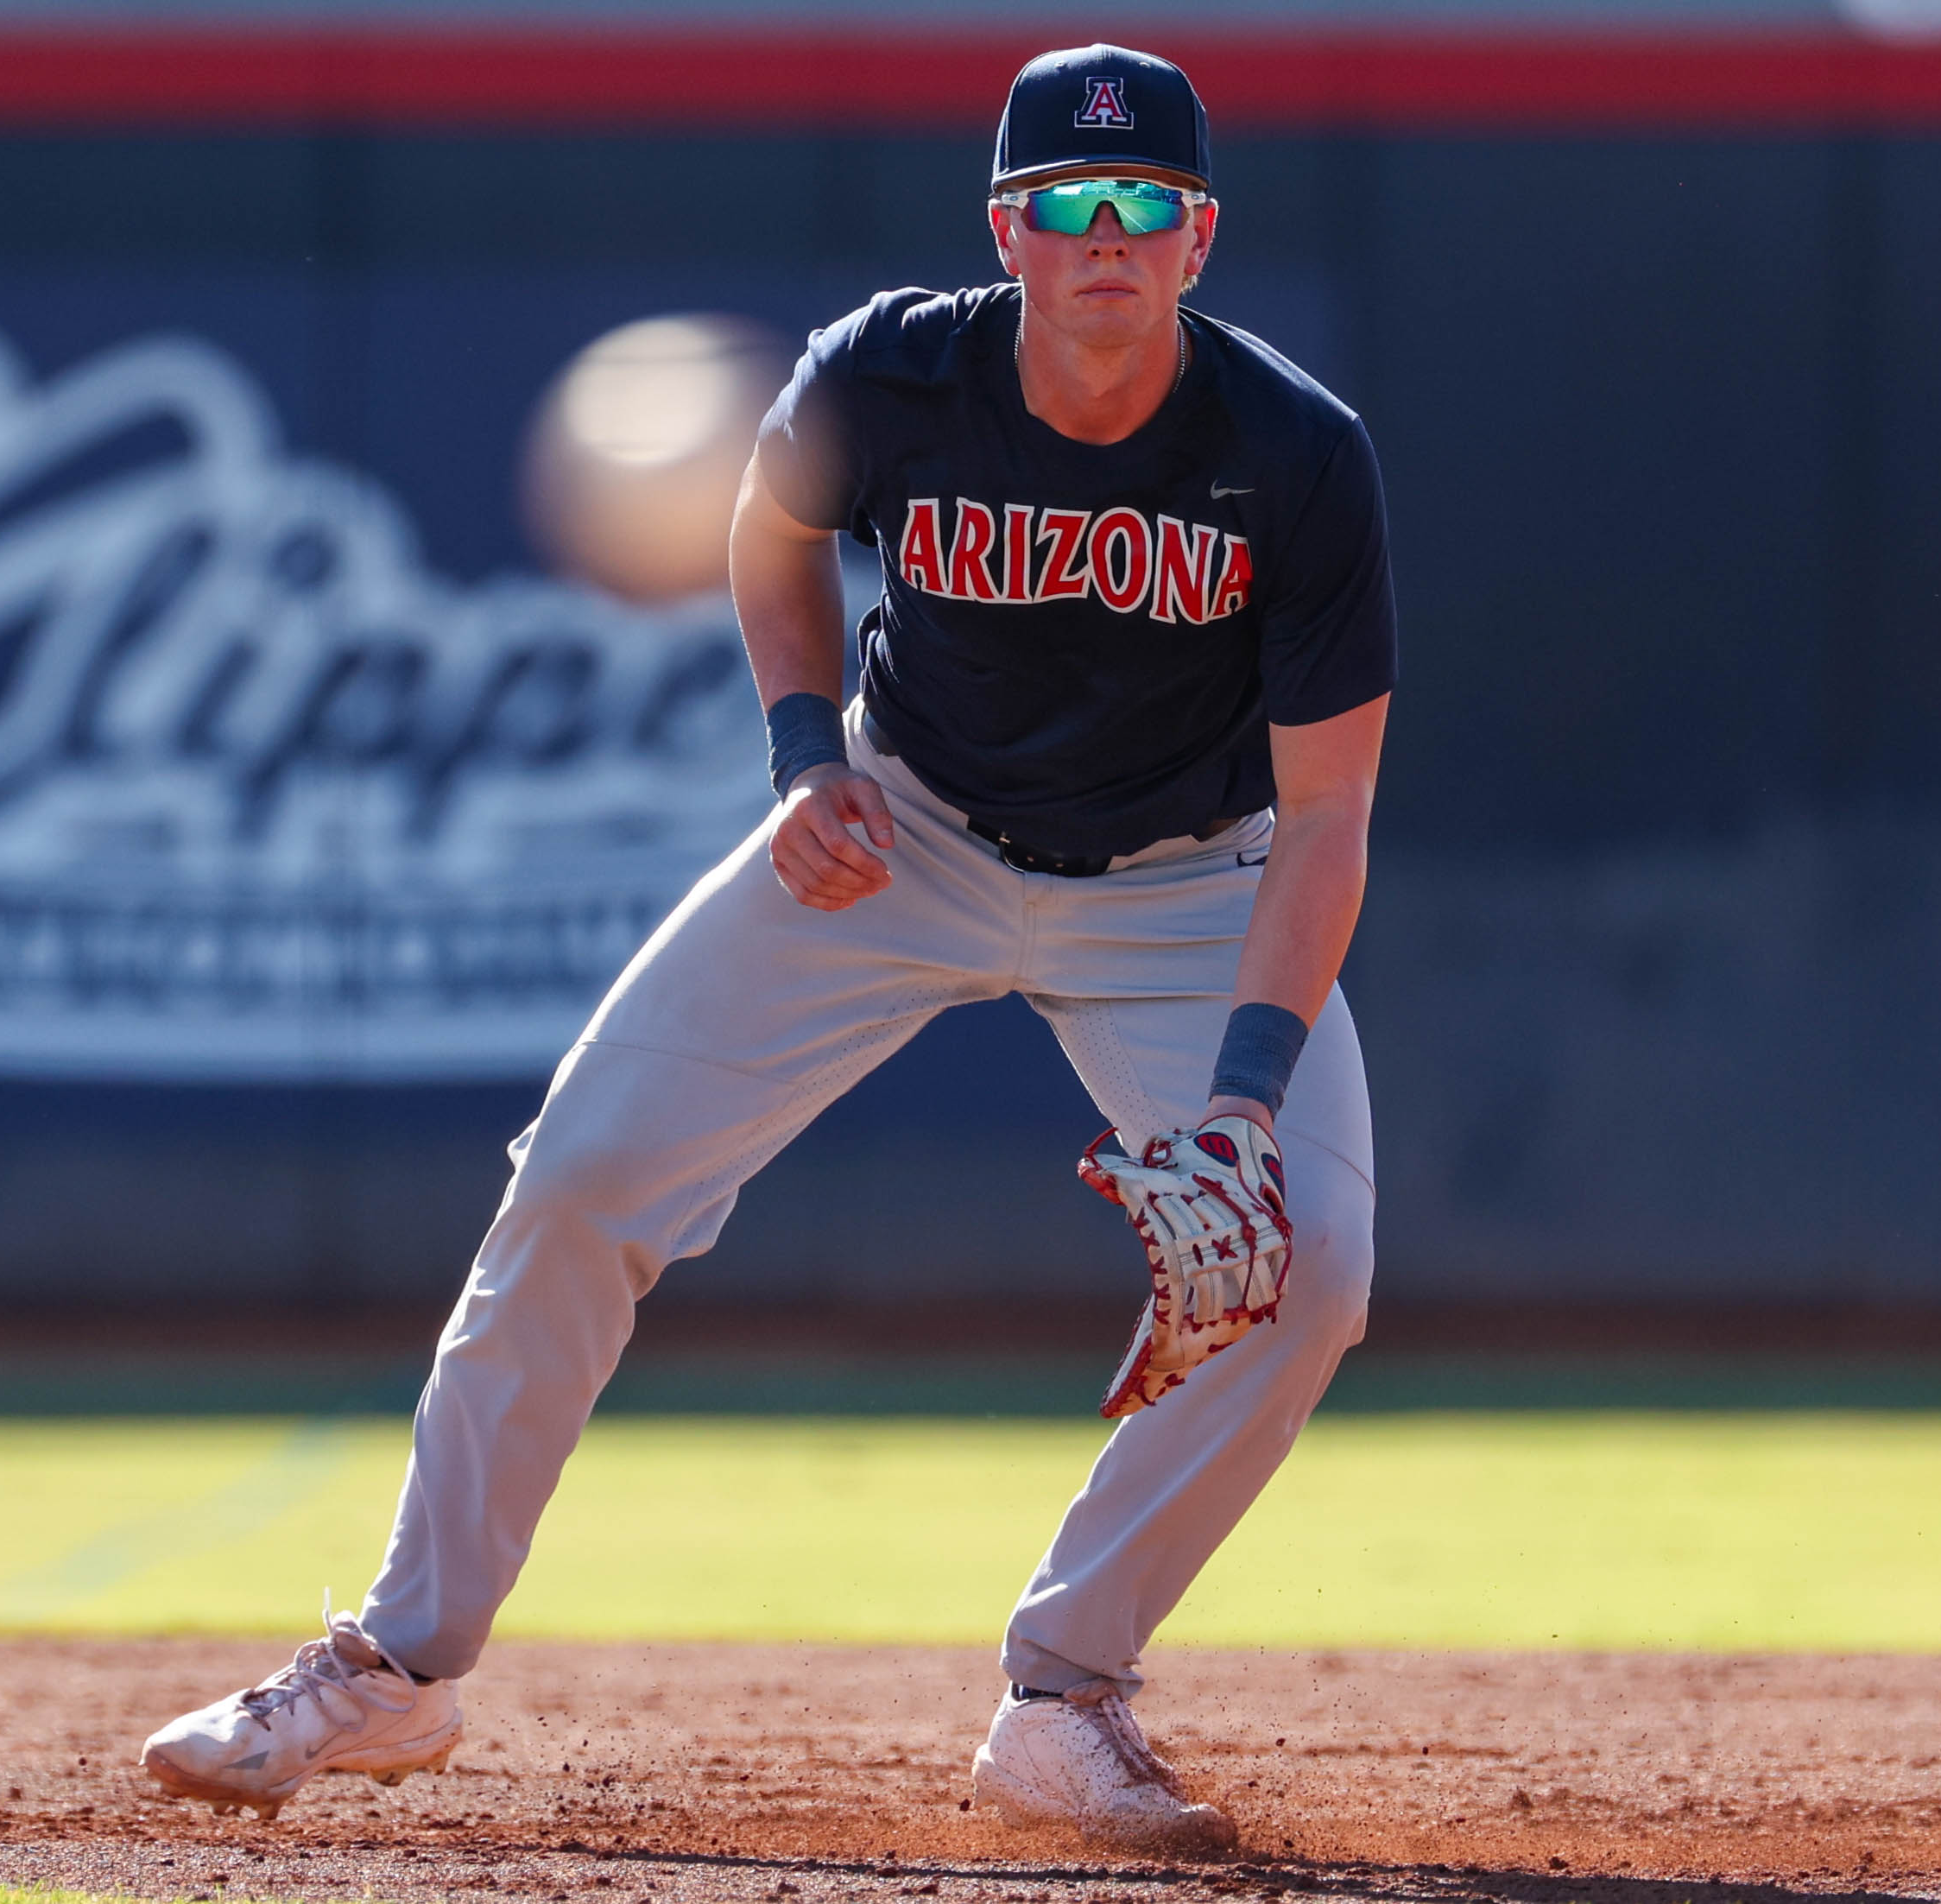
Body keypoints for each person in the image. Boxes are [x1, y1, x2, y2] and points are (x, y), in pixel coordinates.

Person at [139, 41, 1394, 1857]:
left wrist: (1245, 1099)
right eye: (1065, 203)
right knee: (580, 1173)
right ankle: (396, 1662)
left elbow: (1332, 818)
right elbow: (770, 524)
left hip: (1184, 884)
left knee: (1316, 1261)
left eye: (1142, 207)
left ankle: (1066, 1694)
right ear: (1007, 233)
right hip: (903, 832)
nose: (1103, 235)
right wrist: (806, 757)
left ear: (1197, 239)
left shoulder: (1295, 456)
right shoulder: (894, 371)